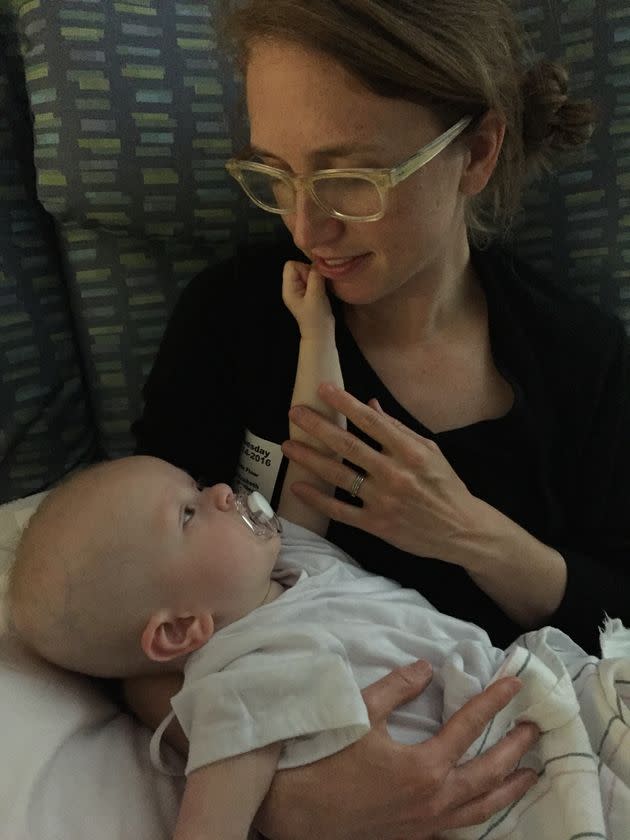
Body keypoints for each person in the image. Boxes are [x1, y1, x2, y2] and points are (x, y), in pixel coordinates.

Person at [128, 0, 630, 836]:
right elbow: (130, 603)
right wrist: (282, 798)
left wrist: (470, 533)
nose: (305, 223)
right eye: (275, 174)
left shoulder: (581, 360)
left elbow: (620, 614)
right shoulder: (235, 323)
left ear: (475, 151)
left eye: (349, 177)